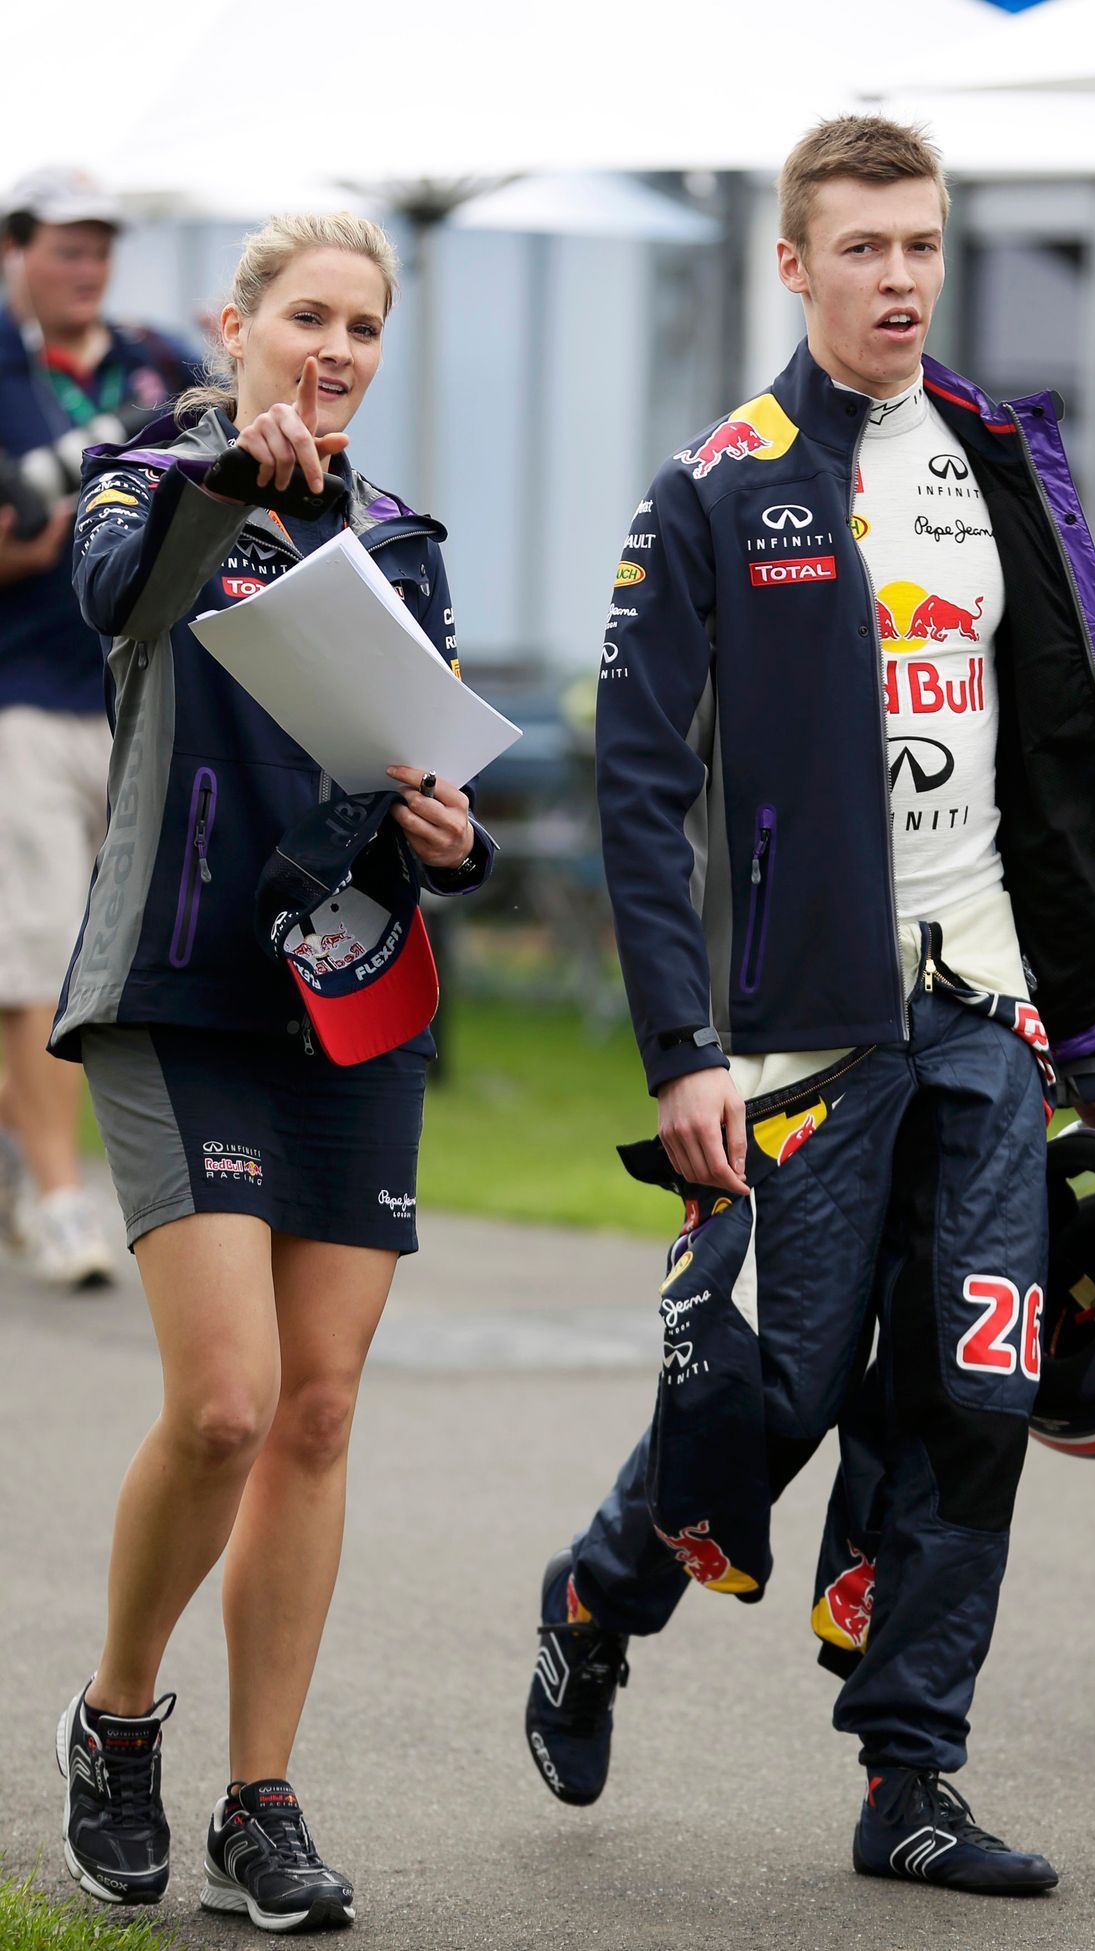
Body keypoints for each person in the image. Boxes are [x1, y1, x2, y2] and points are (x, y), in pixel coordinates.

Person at [525, 115, 1095, 1896]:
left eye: (924, 246)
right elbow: (638, 793)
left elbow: (1058, 760)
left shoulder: (993, 460)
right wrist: (680, 1054)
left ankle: (912, 1778)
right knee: (782, 1390)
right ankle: (596, 1592)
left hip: (988, 1011)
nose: (901, 278)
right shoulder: (718, 481)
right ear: (793, 262)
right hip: (801, 1028)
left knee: (978, 1378)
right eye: (865, 247)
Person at [48, 211, 494, 1932]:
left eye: (366, 325)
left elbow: (428, 764)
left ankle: (262, 1802)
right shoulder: (140, 482)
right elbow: (112, 598)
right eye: (308, 315)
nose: (338, 347)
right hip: (173, 993)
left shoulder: (403, 537)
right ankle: (117, 1717)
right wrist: (227, 475)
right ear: (234, 325)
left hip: (347, 999)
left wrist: (451, 830)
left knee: (316, 1407)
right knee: (225, 1399)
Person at [0, 168, 197, 1286]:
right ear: (16, 248)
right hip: (22, 696)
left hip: (141, 702)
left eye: (100, 248)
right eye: (65, 247)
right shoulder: (3, 361)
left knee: (109, 951)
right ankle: (62, 1196)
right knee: (39, 951)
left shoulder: (157, 362)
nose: (87, 267)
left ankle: (29, 1154)